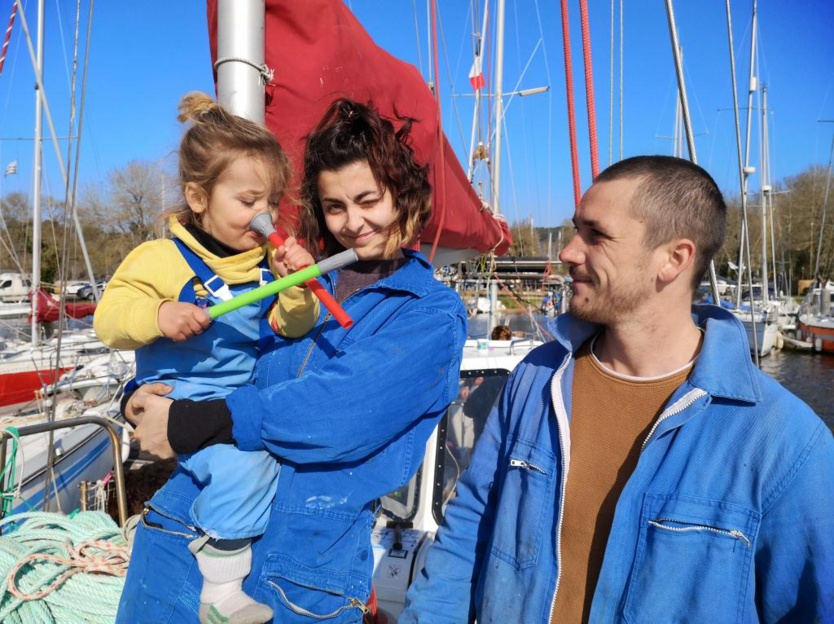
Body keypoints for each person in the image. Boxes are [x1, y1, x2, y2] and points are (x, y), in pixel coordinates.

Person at [401, 155, 834, 623]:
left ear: (674, 259)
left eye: (597, 235)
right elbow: (468, 532)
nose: (569, 252)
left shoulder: (784, 441)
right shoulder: (536, 378)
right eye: (576, 230)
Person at [117, 98, 467, 623]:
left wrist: (189, 422)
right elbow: (214, 358)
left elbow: (333, 412)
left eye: (368, 200)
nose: (354, 223)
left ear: (403, 193)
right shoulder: (288, 282)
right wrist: (137, 398)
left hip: (298, 577)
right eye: (335, 207)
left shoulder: (430, 315)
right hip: (178, 538)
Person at [95, 92, 319, 624]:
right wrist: (160, 314)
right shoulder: (159, 258)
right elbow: (109, 319)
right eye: (248, 202)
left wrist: (297, 285)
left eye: (271, 203)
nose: (263, 217)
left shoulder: (266, 263)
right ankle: (219, 588)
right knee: (246, 466)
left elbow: (294, 325)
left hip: (230, 400)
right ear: (198, 197)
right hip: (179, 396)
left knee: (268, 460)